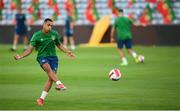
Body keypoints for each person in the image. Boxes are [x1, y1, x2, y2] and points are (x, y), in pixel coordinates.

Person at [14, 18, 75, 106]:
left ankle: (41, 99)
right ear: (44, 24)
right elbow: (29, 49)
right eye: (48, 25)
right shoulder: (37, 35)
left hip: (53, 58)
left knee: (51, 78)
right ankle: (60, 84)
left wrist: (67, 51)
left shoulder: (54, 34)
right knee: (48, 68)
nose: (50, 27)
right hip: (42, 57)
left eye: (51, 26)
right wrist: (20, 56)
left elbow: (59, 45)